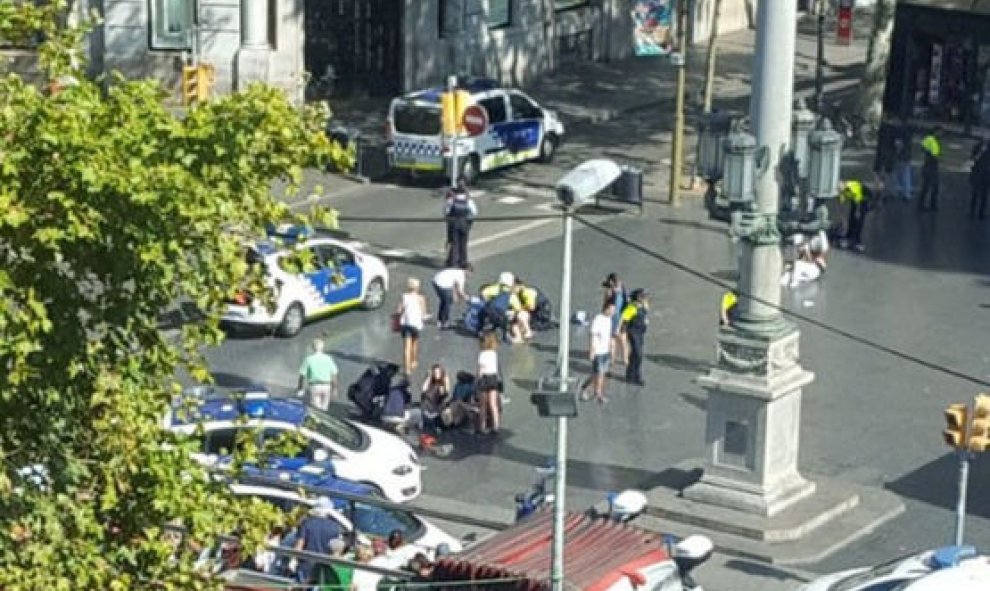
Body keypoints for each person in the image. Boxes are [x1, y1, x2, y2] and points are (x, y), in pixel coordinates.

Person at [293, 499, 342, 583]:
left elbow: (298, 548)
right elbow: (336, 554)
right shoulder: (335, 527)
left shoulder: (307, 523)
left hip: (306, 566)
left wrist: (298, 561)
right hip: (324, 569)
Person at [581, 301, 615, 404]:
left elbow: (608, 334)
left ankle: (585, 387)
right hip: (598, 351)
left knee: (600, 373)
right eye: (611, 310)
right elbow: (593, 335)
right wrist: (592, 350)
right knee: (599, 373)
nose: (613, 312)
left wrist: (610, 346)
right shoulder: (598, 319)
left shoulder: (609, 320)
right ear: (606, 309)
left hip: (606, 350)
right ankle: (598, 394)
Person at [396, 277, 428, 375]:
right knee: (415, 343)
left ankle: (407, 369)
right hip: (415, 324)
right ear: (417, 287)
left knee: (406, 347)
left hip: (406, 324)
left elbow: (398, 310)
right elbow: (423, 313)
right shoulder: (421, 298)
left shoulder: (404, 296)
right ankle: (413, 361)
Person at [297, 337, 339, 411]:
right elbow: (334, 375)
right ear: (323, 348)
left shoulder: (308, 359)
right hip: (327, 386)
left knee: (316, 410)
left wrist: (301, 388)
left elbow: (302, 375)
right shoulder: (328, 359)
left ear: (313, 348)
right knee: (324, 409)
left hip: (315, 386)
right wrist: (335, 389)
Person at [444, 181, 478, 269]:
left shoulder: (451, 200)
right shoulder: (468, 200)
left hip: (454, 223)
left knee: (455, 243)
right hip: (464, 224)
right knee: (463, 243)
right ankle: (463, 262)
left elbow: (446, 212)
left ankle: (453, 262)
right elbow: (474, 212)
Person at [620, 289, 649, 387]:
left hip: (640, 332)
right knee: (638, 354)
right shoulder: (632, 307)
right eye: (643, 296)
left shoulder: (644, 306)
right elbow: (624, 319)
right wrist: (623, 331)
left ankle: (630, 375)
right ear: (638, 297)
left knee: (635, 354)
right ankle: (636, 376)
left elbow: (645, 316)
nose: (645, 298)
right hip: (633, 332)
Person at [476, 332, 502, 435]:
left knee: (483, 405)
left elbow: (480, 370)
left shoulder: (482, 354)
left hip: (484, 379)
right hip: (493, 378)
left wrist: (476, 380)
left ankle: (482, 426)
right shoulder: (494, 354)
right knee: (493, 404)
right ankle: (496, 426)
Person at [432, 264, 471, 329]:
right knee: (448, 302)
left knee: (444, 301)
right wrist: (468, 298)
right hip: (442, 284)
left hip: (436, 281)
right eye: (470, 273)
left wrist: (454, 295)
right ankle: (444, 322)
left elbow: (453, 283)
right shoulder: (461, 276)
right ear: (467, 271)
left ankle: (440, 320)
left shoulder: (456, 271)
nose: (470, 275)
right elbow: (460, 291)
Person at [602, 273, 629, 367]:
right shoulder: (623, 288)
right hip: (622, 316)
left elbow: (605, 304)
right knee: (622, 339)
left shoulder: (610, 291)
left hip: (613, 316)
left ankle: (612, 359)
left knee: (613, 338)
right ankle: (625, 360)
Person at [839, 180, 872, 252]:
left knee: (859, 221)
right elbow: (842, 204)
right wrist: (842, 217)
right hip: (854, 199)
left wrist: (858, 211)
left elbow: (858, 199)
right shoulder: (842, 191)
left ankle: (857, 240)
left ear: (844, 185)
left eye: (840, 188)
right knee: (852, 218)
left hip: (863, 197)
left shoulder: (851, 187)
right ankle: (849, 237)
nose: (840, 190)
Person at [420, 364, 451, 436]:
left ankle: (437, 424)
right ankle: (426, 421)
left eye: (438, 373)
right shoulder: (430, 382)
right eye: (435, 372)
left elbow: (445, 394)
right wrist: (429, 377)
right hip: (427, 406)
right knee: (425, 398)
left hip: (438, 407)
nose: (437, 374)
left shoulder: (443, 383)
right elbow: (423, 390)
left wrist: (446, 379)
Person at [918, 126, 941, 211]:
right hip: (929, 164)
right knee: (927, 186)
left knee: (934, 186)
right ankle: (922, 204)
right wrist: (929, 154)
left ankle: (932, 204)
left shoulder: (935, 140)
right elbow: (923, 147)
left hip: (933, 163)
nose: (940, 134)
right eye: (939, 132)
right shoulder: (930, 139)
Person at [509, 278, 540, 343]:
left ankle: (528, 331)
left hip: (536, 314)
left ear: (518, 285)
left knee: (521, 315)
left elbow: (531, 307)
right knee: (514, 325)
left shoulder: (527, 292)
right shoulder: (517, 294)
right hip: (527, 314)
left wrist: (519, 309)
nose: (512, 289)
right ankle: (518, 337)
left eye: (513, 287)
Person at [968, 135, 990, 220]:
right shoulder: (977, 147)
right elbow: (973, 158)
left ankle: (981, 212)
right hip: (977, 172)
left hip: (986, 174)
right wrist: (981, 152)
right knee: (975, 193)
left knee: (984, 194)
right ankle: (972, 211)